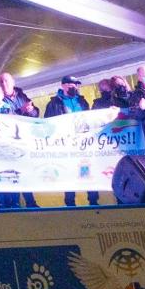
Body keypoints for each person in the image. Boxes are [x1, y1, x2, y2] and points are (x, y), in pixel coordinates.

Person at [44, 75, 97, 207]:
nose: (74, 87)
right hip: (66, 143)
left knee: (88, 169)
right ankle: (70, 202)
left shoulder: (82, 102)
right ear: (63, 85)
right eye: (70, 85)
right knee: (69, 171)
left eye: (75, 85)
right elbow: (47, 123)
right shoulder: (54, 103)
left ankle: (93, 201)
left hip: (84, 143)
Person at [0, 71, 39, 208]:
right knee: (12, 173)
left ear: (13, 82)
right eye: (1, 81)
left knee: (25, 172)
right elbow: (3, 120)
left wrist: (31, 110)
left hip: (23, 141)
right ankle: (14, 203)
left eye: (6, 81)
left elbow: (35, 114)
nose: (4, 84)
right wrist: (21, 111)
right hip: (7, 142)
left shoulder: (22, 96)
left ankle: (31, 202)